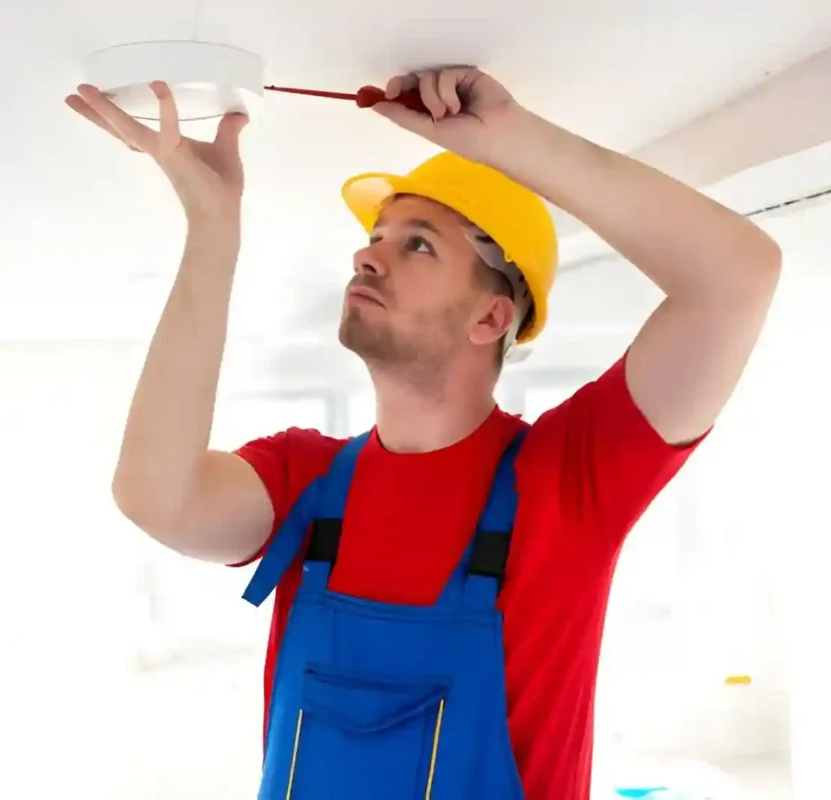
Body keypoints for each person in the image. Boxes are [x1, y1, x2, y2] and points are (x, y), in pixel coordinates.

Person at [69, 66, 781, 800]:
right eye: (378, 235)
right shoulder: (302, 483)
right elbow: (155, 495)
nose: (366, 253)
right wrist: (212, 225)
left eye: (417, 245)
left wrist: (510, 141)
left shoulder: (569, 478)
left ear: (491, 319)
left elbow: (737, 276)